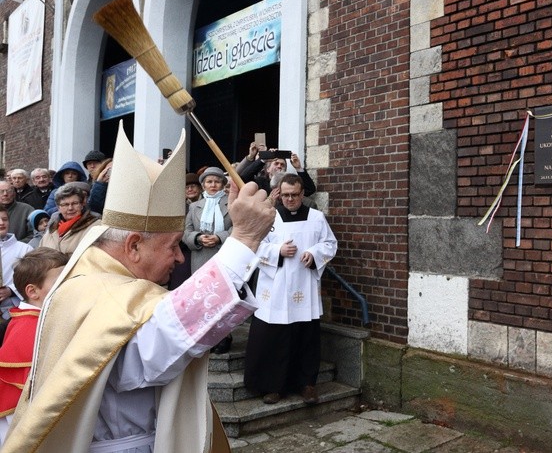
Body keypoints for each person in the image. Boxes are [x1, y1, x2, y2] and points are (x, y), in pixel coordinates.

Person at [2, 125, 275, 452]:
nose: (178, 257)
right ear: (133, 246)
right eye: (173, 245)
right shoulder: (106, 293)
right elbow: (164, 341)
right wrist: (244, 241)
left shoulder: (85, 277)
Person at [244, 173, 337, 405]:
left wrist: (314, 253)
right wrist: (278, 252)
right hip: (275, 289)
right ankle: (274, 386)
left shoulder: (316, 218)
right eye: (285, 195)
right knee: (276, 340)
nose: (290, 199)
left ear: (302, 193)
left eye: (294, 195)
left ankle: (307, 385)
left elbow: (329, 244)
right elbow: (254, 246)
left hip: (304, 288)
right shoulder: (269, 217)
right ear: (279, 194)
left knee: (305, 338)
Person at [0, 248, 68, 444]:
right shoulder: (31, 328)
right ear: (32, 291)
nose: (66, 287)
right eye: (59, 282)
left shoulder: (32, 319)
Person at [182, 167, 234, 354]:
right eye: (209, 182)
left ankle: (224, 336)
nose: (213, 185)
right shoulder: (194, 206)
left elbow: (238, 228)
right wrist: (197, 238)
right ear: (203, 184)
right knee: (203, 298)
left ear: (222, 184)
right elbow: (185, 232)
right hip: (201, 257)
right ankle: (205, 336)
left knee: (223, 298)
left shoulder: (231, 203)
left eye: (217, 182)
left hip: (223, 256)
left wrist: (219, 237)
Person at [236, 142, 317, 199]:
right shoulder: (260, 182)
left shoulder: (291, 182)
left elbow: (310, 190)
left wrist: (298, 168)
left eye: (282, 164)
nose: (279, 166)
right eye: (276, 163)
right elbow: (243, 178)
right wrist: (262, 160)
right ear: (267, 169)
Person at [39, 184, 101, 256]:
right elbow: (40, 256)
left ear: (82, 204)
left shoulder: (95, 226)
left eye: (75, 203)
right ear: (58, 207)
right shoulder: (51, 229)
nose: (70, 208)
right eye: (65, 204)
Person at [0, 206, 34, 321]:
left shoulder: (25, 249)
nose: (1, 223)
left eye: (4, 219)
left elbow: (32, 278)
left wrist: (11, 290)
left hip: (13, 310)